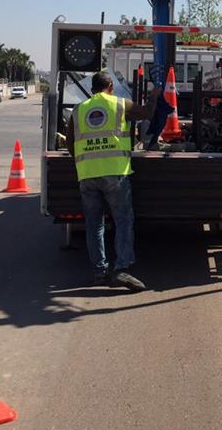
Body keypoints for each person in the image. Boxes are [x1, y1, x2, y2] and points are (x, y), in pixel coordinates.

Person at [67, 72, 157, 289]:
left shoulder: (78, 110)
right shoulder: (120, 103)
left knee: (94, 224)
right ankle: (122, 269)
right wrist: (155, 95)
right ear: (110, 87)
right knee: (123, 220)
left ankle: (99, 272)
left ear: (91, 90)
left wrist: (86, 161)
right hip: (115, 172)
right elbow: (147, 113)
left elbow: (70, 143)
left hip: (87, 173)